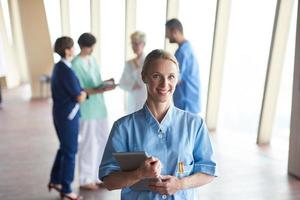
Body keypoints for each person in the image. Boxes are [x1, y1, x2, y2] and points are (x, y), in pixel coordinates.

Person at [99, 49, 216, 199]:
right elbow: (109, 181)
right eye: (156, 76)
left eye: (171, 77)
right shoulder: (123, 128)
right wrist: (139, 174)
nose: (164, 84)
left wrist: (180, 184)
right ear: (144, 77)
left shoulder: (195, 124)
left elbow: (208, 171)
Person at [71, 33, 116, 190]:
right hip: (87, 109)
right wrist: (97, 90)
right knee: (88, 144)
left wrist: (105, 84)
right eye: (90, 46)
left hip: (99, 108)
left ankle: (98, 176)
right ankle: (84, 179)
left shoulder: (92, 60)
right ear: (85, 46)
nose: (90, 49)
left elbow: (96, 82)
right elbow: (79, 89)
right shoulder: (75, 64)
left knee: (103, 143)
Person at [49, 36, 85, 200]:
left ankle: (55, 180)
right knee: (70, 151)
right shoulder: (66, 70)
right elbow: (78, 95)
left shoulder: (58, 68)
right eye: (72, 47)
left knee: (64, 147)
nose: (75, 49)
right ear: (67, 50)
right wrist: (83, 93)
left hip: (60, 114)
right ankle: (67, 188)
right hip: (68, 117)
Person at [165, 18, 201, 114]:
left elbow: (176, 78)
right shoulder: (186, 48)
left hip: (186, 101)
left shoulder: (183, 52)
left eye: (167, 32)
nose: (166, 36)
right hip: (188, 100)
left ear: (174, 31)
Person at [119, 31, 147, 114]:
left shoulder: (149, 61)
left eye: (137, 43)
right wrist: (132, 86)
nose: (134, 46)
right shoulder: (129, 63)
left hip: (145, 99)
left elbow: (143, 82)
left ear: (143, 44)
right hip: (132, 100)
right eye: (132, 44)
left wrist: (137, 68)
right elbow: (122, 83)